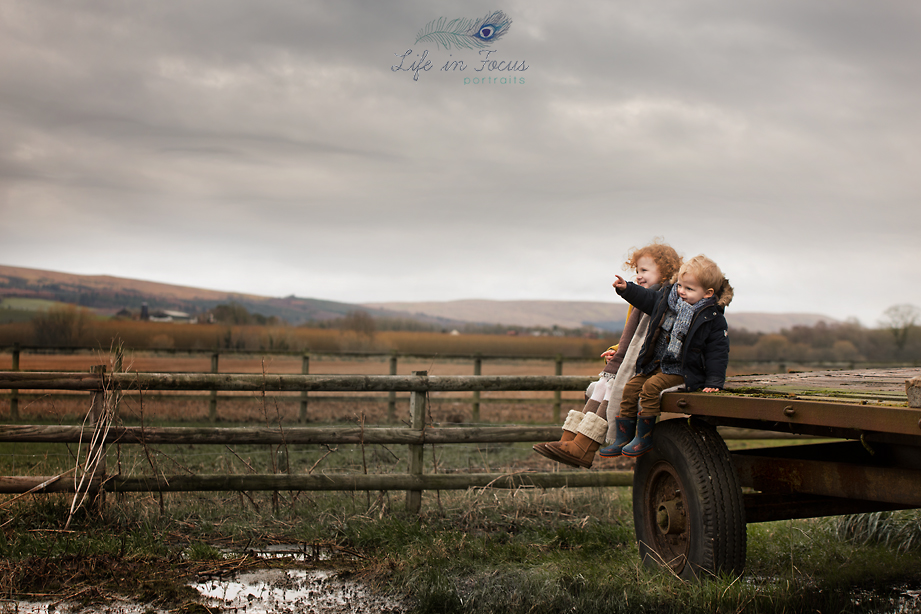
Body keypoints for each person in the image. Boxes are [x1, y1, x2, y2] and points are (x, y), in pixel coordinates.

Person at [532, 241, 682, 468]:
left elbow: (657, 341)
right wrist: (615, 350)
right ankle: (571, 440)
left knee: (612, 388)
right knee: (601, 385)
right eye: (637, 271)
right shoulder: (643, 300)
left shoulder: (665, 300)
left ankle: (584, 446)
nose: (639, 276)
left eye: (645, 270)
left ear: (666, 270)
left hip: (651, 367)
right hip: (635, 360)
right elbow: (633, 338)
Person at [611, 254, 733, 457]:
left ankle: (644, 436)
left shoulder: (711, 318)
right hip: (656, 364)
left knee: (650, 388)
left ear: (707, 293)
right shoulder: (668, 299)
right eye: (680, 286)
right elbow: (646, 297)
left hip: (682, 370)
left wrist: (714, 381)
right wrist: (627, 289)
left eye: (689, 289)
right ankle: (623, 436)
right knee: (632, 386)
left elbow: (717, 352)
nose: (681, 292)